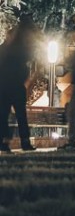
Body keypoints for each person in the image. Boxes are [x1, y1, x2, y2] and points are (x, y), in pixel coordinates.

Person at [0, 20, 35, 152]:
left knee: (6, 115)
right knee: (17, 115)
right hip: (12, 87)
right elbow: (25, 67)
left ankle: (5, 142)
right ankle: (23, 142)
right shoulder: (16, 51)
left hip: (6, 87)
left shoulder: (5, 50)